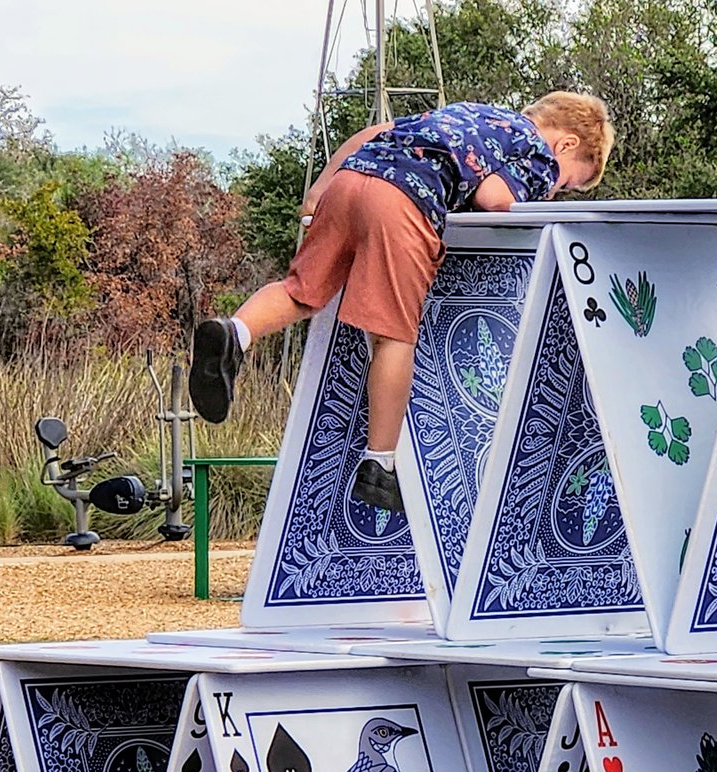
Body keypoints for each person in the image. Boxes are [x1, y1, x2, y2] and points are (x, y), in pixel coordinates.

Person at [188, 92, 615, 513]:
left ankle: (236, 332)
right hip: (403, 202)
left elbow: (373, 133)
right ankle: (380, 465)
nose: (557, 189)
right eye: (567, 183)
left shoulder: (466, 114)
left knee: (302, 291)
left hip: (349, 182)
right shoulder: (537, 153)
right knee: (394, 335)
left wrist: (320, 189)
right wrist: (530, 207)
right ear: (566, 145)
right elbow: (495, 198)